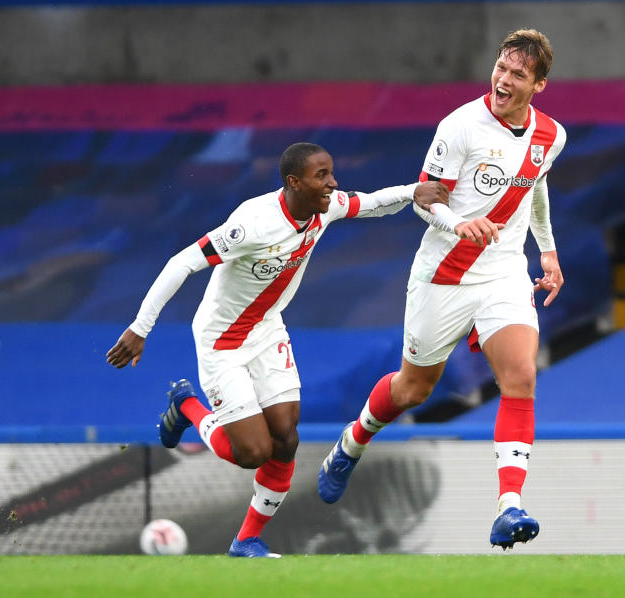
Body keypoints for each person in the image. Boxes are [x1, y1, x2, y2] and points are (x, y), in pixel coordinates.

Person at [106, 142, 449, 558]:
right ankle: (186, 407)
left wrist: (413, 192)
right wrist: (141, 328)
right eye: (322, 175)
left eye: (331, 173)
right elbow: (182, 263)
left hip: (267, 331)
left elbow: (371, 203)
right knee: (252, 452)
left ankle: (247, 539)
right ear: (293, 182)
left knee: (286, 439)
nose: (332, 183)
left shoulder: (324, 207)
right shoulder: (252, 224)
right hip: (222, 342)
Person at [316, 28, 567, 550]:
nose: (503, 79)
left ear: (538, 85)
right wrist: (458, 225)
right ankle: (350, 443)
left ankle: (509, 506)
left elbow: (536, 183)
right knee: (413, 389)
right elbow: (425, 198)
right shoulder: (459, 126)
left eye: (518, 74)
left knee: (520, 375)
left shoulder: (552, 135)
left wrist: (547, 250)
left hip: (502, 273)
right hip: (445, 274)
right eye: (501, 67)